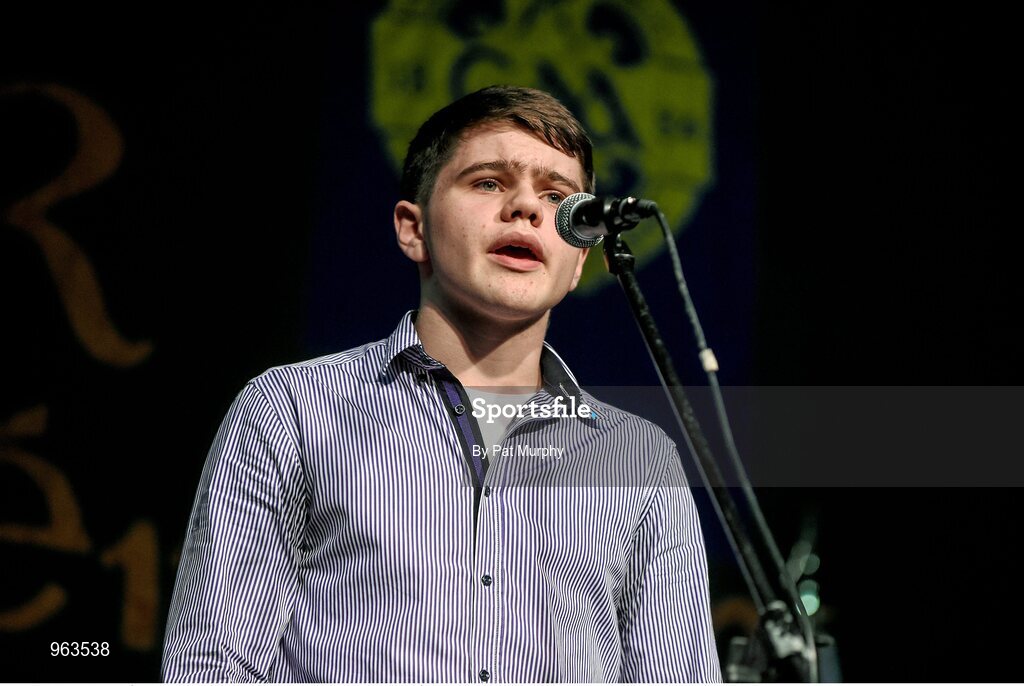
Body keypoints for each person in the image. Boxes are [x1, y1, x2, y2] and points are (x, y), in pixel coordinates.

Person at [162, 86, 721, 682]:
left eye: (558, 198)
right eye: (488, 183)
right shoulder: (294, 409)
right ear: (414, 229)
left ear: (579, 257)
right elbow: (213, 666)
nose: (527, 208)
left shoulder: (641, 457)